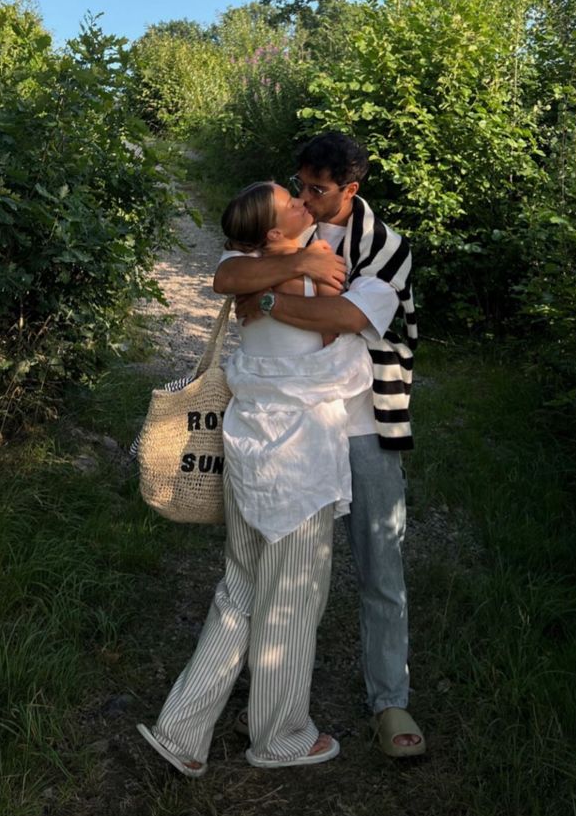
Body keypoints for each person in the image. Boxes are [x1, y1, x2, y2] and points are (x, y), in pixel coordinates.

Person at [138, 181, 373, 776]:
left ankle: (182, 729)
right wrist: (306, 267)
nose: (303, 202)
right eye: (292, 204)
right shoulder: (283, 266)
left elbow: (235, 279)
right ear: (274, 232)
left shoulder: (248, 268)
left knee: (239, 591)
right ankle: (281, 736)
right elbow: (334, 335)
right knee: (291, 601)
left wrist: (280, 281)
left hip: (250, 451)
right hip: (299, 463)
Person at [214, 132, 426, 759]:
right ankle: (267, 700)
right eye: (300, 184)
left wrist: (272, 296)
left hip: (364, 424)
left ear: (351, 190)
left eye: (318, 190)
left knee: (379, 563)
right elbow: (229, 274)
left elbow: (346, 321)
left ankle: (390, 702)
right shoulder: (295, 225)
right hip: (298, 426)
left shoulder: (386, 249)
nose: (304, 198)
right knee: (279, 566)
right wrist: (288, 271)